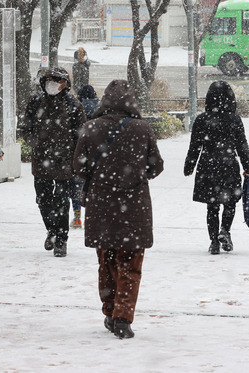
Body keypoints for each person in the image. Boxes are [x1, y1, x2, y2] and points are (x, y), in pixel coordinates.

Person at [73, 80, 164, 339]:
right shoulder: (141, 128)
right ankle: (123, 317)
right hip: (134, 207)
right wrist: (134, 175)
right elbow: (156, 166)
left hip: (102, 206)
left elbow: (78, 167)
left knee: (106, 261)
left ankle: (109, 310)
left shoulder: (90, 128)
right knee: (131, 263)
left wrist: (102, 175)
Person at [21, 66, 87, 257]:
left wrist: (76, 158)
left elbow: (80, 134)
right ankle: (51, 229)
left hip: (64, 162)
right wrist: (35, 141)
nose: (52, 84)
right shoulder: (36, 102)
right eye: (49, 80)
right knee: (43, 199)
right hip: (41, 161)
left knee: (61, 201)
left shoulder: (73, 105)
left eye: (56, 81)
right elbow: (26, 127)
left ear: (64, 84)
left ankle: (61, 239)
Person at [184, 81, 249, 255]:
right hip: (228, 166)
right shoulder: (234, 120)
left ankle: (214, 241)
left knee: (212, 206)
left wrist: (189, 165)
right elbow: (242, 146)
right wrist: (248, 166)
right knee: (230, 203)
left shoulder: (201, 120)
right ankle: (225, 230)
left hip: (207, 166)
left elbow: (194, 147)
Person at [70, 84, 100, 229]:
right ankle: (93, 217)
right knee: (94, 186)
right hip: (97, 152)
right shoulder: (100, 109)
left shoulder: (76, 106)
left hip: (79, 150)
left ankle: (77, 217)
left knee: (76, 185)